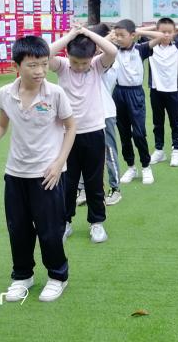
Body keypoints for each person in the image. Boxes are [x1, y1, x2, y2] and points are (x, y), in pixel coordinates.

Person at [0, 36, 76, 302]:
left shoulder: (55, 93)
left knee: (50, 231)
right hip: (15, 173)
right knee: (18, 229)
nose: (40, 70)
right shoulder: (6, 93)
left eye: (44, 64)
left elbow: (71, 127)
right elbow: (1, 125)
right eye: (32, 65)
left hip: (47, 175)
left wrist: (59, 163)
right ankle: (22, 275)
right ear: (16, 66)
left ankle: (58, 276)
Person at [48, 23, 117, 245]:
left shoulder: (97, 66)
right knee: (67, 182)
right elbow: (45, 53)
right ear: (68, 56)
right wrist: (71, 35)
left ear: (92, 57)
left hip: (94, 132)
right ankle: (65, 222)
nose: (79, 67)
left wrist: (87, 33)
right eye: (75, 62)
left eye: (83, 63)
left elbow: (112, 51)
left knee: (94, 181)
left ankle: (97, 222)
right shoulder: (62, 66)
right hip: (66, 134)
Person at [147, 18, 178, 167]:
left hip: (173, 91)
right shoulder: (150, 46)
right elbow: (136, 33)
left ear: (174, 33)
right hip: (156, 90)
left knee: (175, 123)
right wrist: (155, 30)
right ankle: (159, 150)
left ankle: (176, 150)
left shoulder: (177, 46)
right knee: (158, 123)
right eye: (163, 32)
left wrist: (176, 28)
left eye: (169, 32)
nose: (166, 35)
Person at [111, 19, 154, 185]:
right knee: (124, 133)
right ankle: (131, 166)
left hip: (135, 94)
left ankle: (146, 166)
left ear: (133, 35)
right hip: (118, 93)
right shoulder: (113, 50)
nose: (118, 38)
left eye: (122, 35)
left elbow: (161, 37)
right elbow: (100, 43)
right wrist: (112, 36)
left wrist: (140, 32)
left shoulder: (140, 49)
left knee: (139, 133)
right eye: (116, 35)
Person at [89, 23, 123, 205]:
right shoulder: (89, 57)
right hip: (87, 114)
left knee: (109, 152)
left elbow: (105, 54)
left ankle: (115, 188)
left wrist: (108, 37)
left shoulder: (109, 59)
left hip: (105, 113)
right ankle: (83, 190)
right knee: (84, 153)